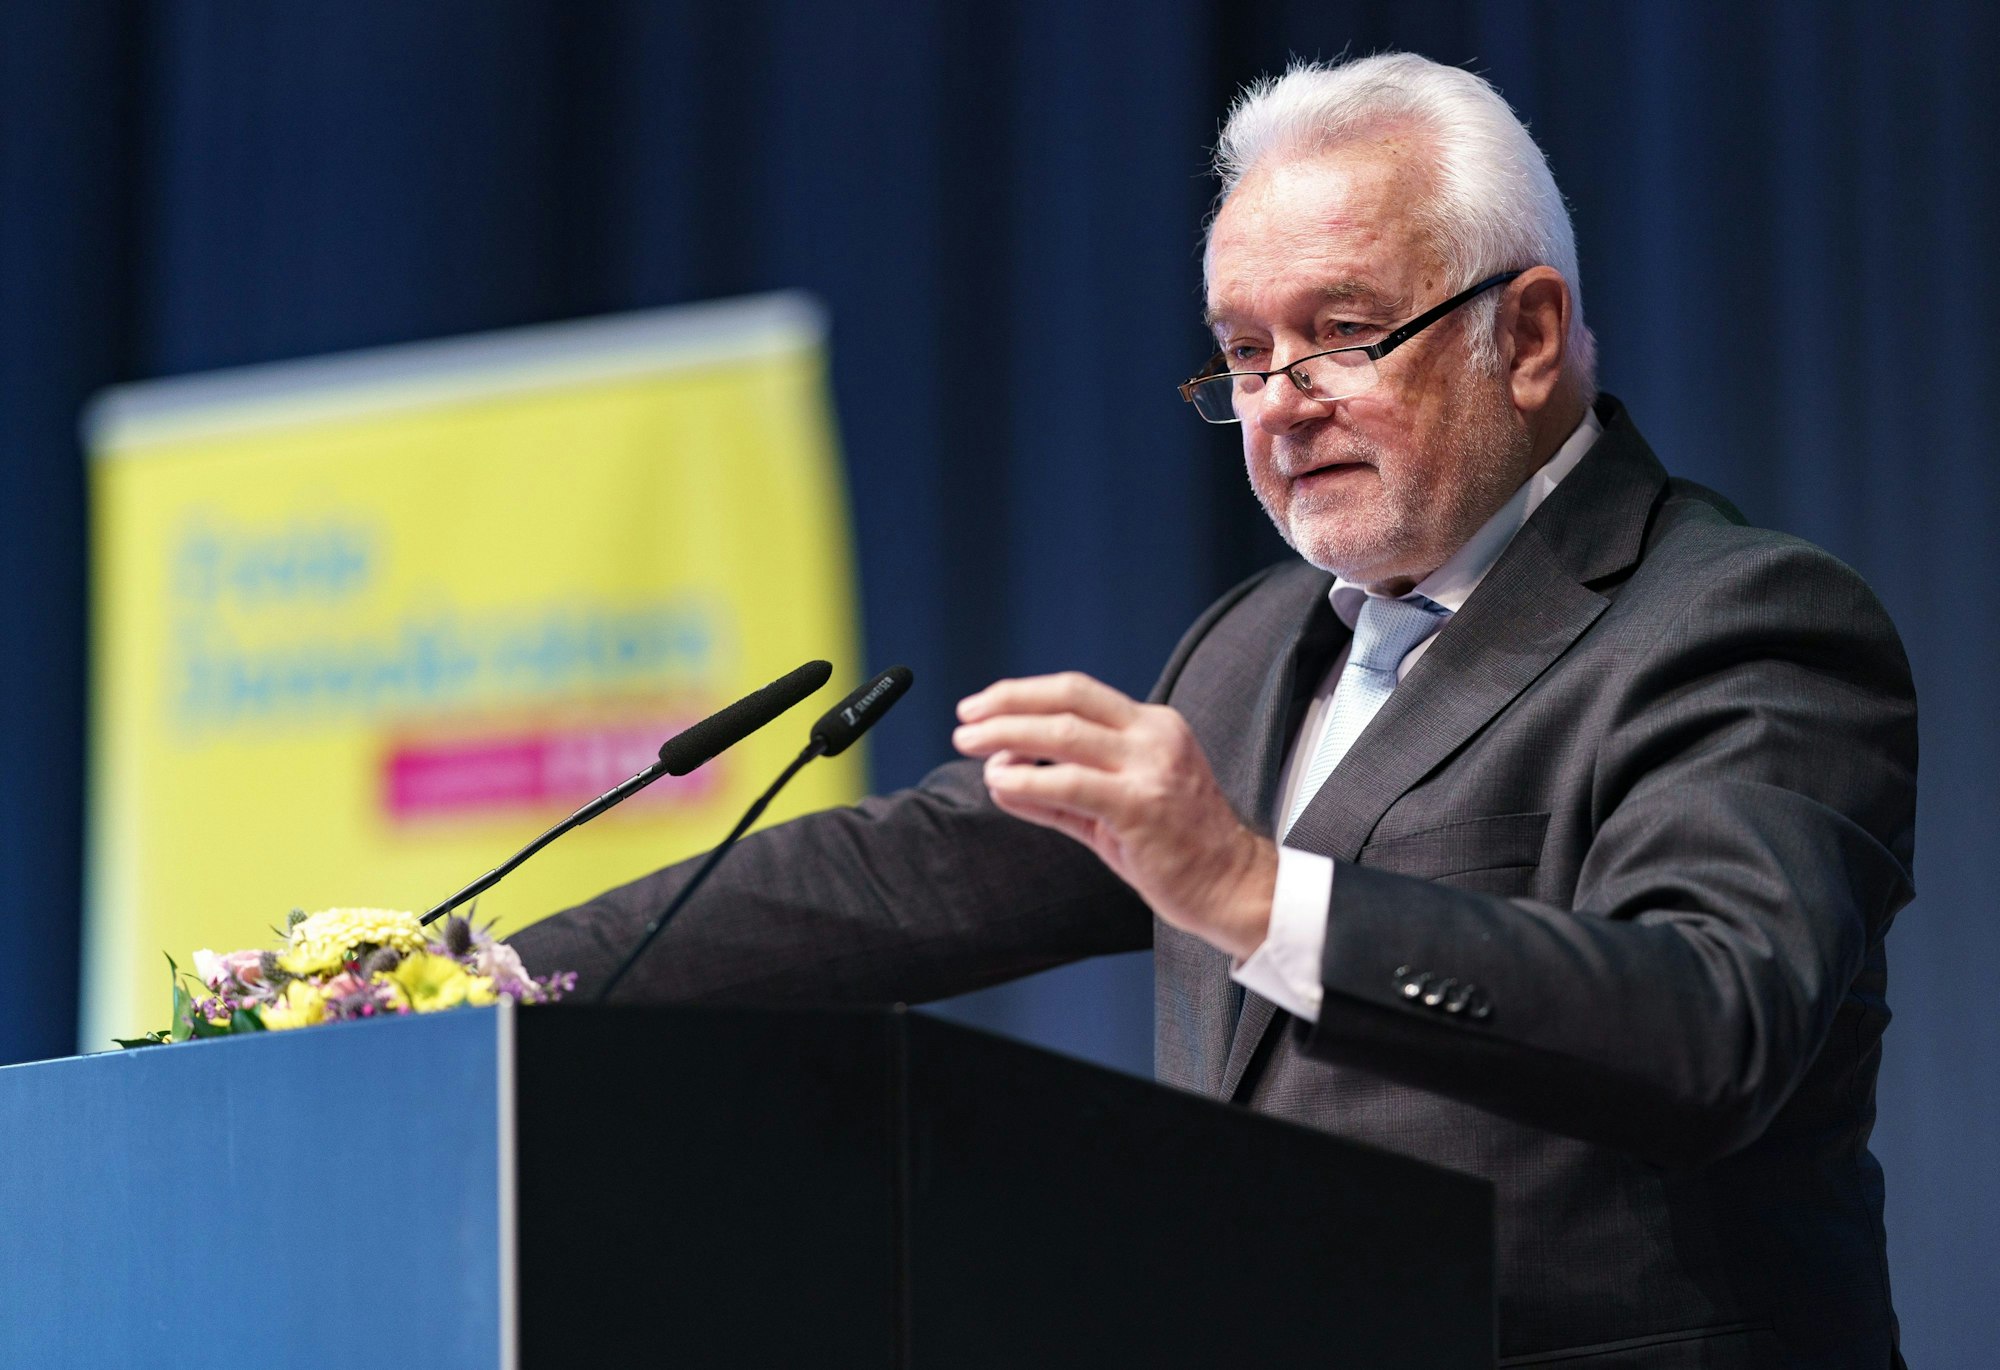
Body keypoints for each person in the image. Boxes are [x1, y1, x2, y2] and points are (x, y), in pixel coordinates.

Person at [512, 53, 1913, 1367]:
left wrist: (1252, 888)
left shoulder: (1740, 622)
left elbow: (1714, 1019)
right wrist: (465, 980)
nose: (1280, 406)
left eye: (1343, 334)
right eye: (1245, 355)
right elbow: (901, 878)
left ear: (1529, 334)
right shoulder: (1250, 646)